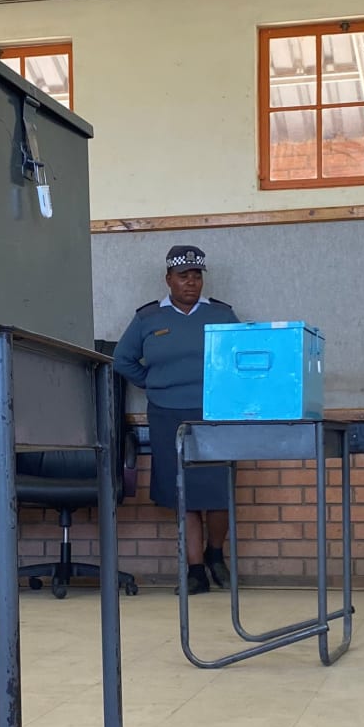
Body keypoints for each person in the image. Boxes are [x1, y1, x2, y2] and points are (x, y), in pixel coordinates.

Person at [113, 245, 240, 593]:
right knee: (183, 492)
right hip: (167, 414)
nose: (191, 283)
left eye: (196, 276)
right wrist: (153, 384)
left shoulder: (222, 315)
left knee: (216, 491)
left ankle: (216, 554)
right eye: (184, 276)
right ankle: (195, 570)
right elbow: (122, 360)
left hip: (213, 414)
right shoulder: (148, 319)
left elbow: (240, 360)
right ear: (168, 279)